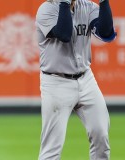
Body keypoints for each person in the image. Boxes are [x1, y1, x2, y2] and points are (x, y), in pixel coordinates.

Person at [35, 0, 116, 159]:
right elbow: (64, 34)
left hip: (86, 79)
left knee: (101, 134)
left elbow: (106, 34)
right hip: (56, 82)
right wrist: (65, 3)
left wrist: (104, 2)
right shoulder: (46, 9)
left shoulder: (87, 7)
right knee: (52, 148)